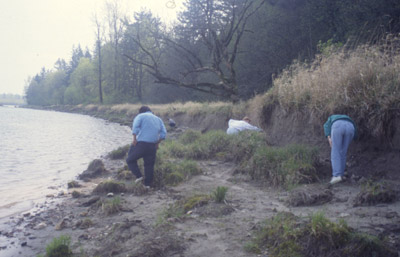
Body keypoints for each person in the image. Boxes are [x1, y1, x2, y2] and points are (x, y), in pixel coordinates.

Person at [126, 106, 167, 187]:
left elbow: (135, 127)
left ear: (141, 112)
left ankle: (139, 176)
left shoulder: (140, 116)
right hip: (152, 146)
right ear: (150, 111)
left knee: (130, 160)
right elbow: (163, 133)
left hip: (141, 144)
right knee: (149, 165)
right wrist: (157, 143)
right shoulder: (158, 119)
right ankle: (148, 185)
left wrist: (134, 139)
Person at [323, 114, 357, 184]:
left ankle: (336, 175)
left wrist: (329, 137)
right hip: (351, 127)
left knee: (336, 151)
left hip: (337, 126)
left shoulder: (331, 118)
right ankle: (341, 174)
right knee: (343, 153)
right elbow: (355, 133)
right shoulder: (348, 118)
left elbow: (326, 126)